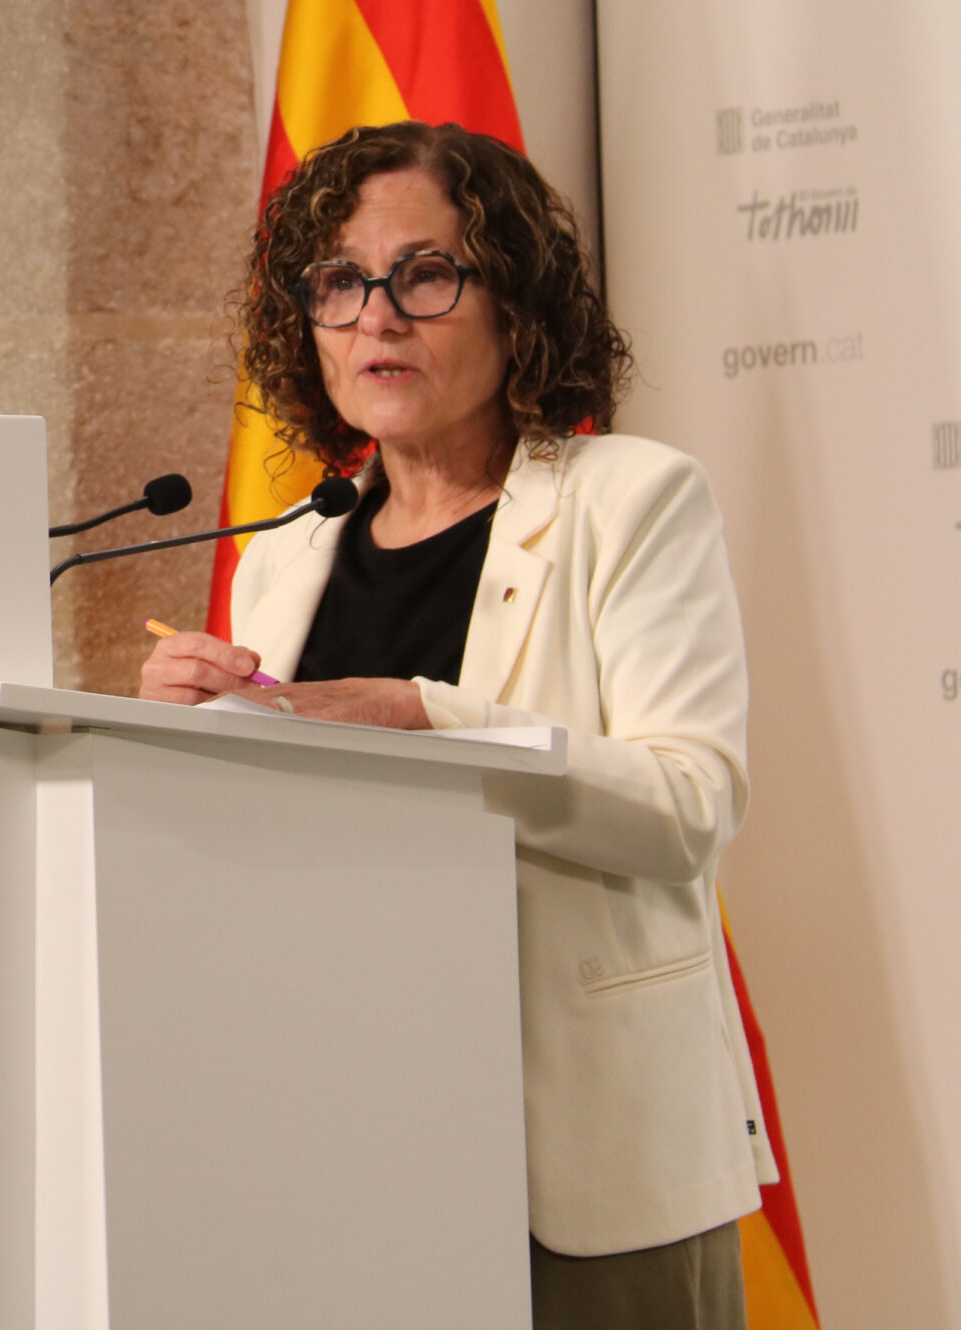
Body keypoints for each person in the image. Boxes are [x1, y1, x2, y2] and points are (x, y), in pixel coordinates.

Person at [140, 121, 773, 1329]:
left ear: (514, 302)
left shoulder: (628, 501)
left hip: (581, 1148)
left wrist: (430, 719)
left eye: (424, 273)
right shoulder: (285, 555)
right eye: (339, 281)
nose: (376, 316)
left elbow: (689, 805)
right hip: (344, 1132)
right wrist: (173, 748)